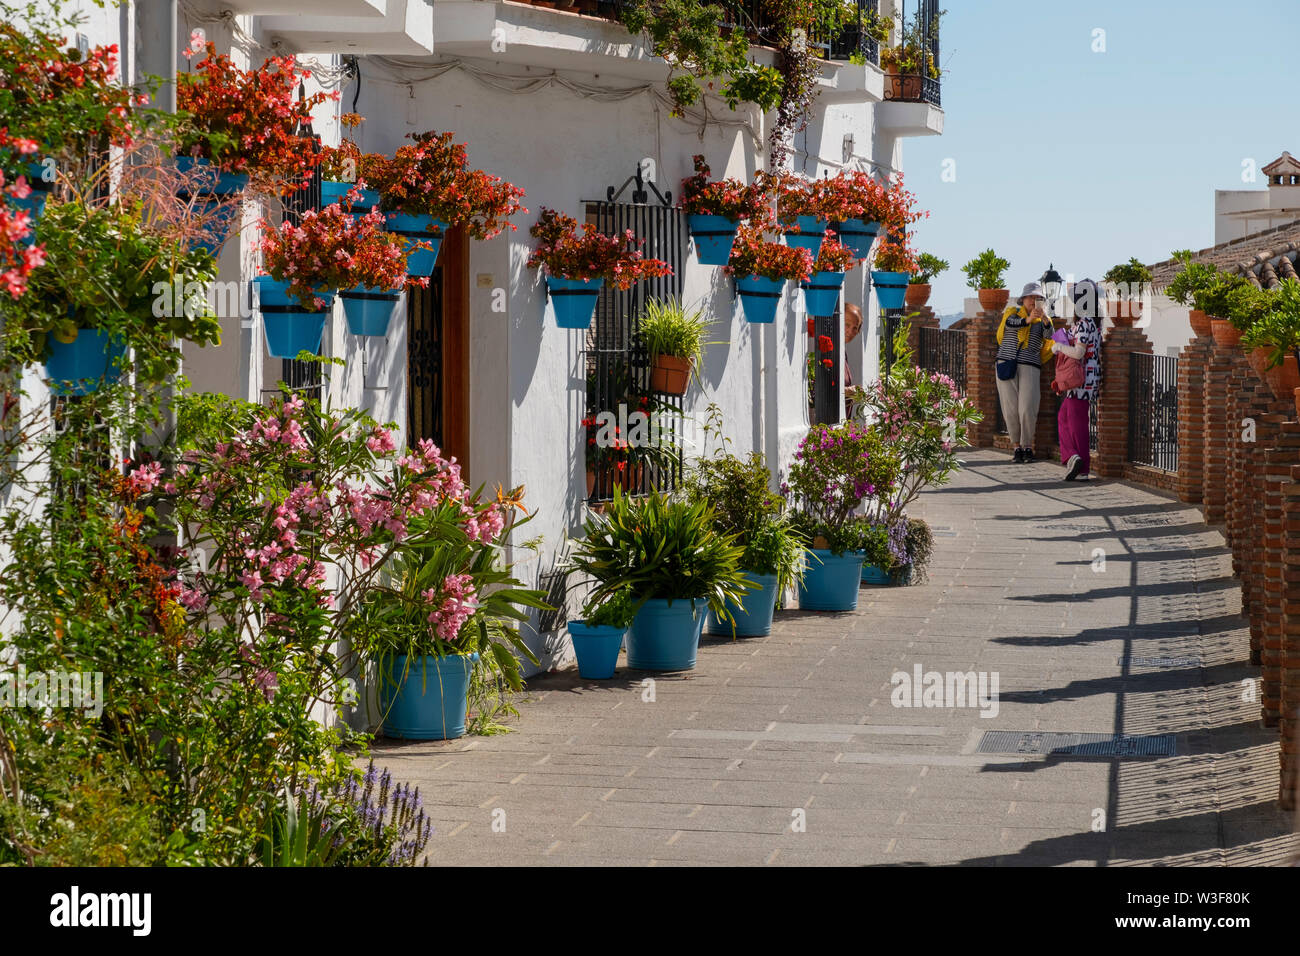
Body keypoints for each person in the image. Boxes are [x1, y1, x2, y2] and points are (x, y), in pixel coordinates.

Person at [995, 282, 1054, 462]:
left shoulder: (1045, 319)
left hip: (1030, 365)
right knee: (1010, 408)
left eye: (1038, 298)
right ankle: (1016, 447)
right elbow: (1010, 325)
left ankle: (1027, 445)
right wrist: (1028, 320)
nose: (1034, 301)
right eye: (1031, 297)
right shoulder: (1012, 313)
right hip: (1007, 363)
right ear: (1023, 299)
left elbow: (1049, 336)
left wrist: (1043, 319)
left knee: (1028, 408)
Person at [1050, 278, 1102, 481]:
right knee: (1065, 418)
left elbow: (1079, 353)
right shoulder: (1095, 324)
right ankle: (1073, 457)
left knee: (1077, 422)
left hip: (1079, 380)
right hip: (1088, 379)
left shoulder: (1083, 324)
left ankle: (1081, 467)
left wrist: (1059, 347)